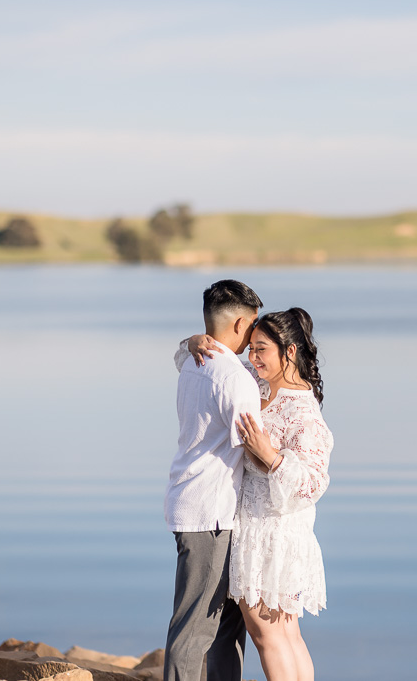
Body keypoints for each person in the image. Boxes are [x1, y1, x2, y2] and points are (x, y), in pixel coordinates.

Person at [182, 308, 333, 681]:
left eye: (261, 349)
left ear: (290, 352)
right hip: (254, 528)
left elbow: (314, 484)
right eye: (250, 348)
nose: (251, 357)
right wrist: (193, 342)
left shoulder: (303, 411)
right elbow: (208, 365)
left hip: (275, 533)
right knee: (283, 634)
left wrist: (269, 456)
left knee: (269, 635)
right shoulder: (258, 381)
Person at [163, 279, 263, 681]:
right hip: (210, 514)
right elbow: (254, 448)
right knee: (195, 628)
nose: (255, 335)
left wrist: (190, 341)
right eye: (253, 326)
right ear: (240, 324)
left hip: (198, 503)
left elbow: (181, 353)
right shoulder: (234, 378)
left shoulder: (195, 360)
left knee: (227, 623)